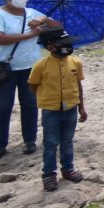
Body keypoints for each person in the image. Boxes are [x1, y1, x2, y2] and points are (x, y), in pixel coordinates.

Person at [0, 0, 64, 161]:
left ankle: (30, 140)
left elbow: (58, 27)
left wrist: (45, 19)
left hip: (30, 66)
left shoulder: (33, 13)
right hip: (3, 67)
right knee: (3, 106)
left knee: (29, 104)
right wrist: (30, 34)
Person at [29, 29, 86, 192]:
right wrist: (48, 99)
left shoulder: (75, 62)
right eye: (63, 44)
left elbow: (78, 85)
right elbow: (33, 85)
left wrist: (81, 107)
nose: (68, 47)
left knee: (67, 141)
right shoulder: (41, 65)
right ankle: (48, 175)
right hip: (51, 111)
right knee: (50, 144)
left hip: (70, 108)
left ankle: (68, 169)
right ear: (50, 47)